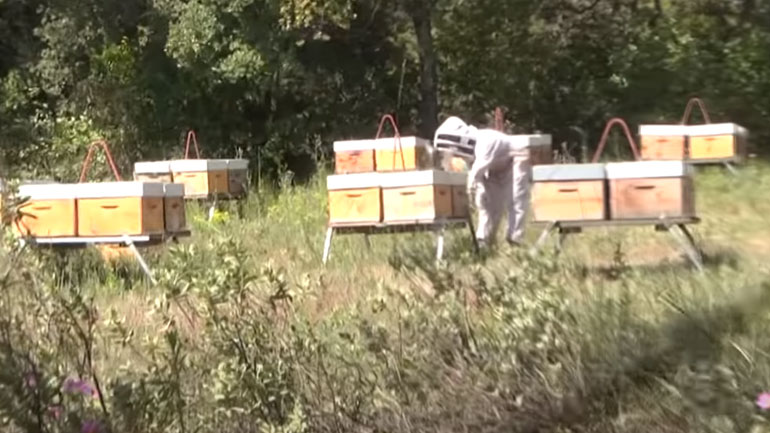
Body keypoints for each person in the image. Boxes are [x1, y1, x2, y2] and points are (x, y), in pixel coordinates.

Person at [434, 116, 533, 248]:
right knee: (487, 204)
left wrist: (469, 188)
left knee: (515, 199)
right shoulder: (472, 151)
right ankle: (484, 241)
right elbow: (475, 173)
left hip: (516, 159)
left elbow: (478, 169)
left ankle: (514, 240)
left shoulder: (486, 140)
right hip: (493, 168)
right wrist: (478, 192)